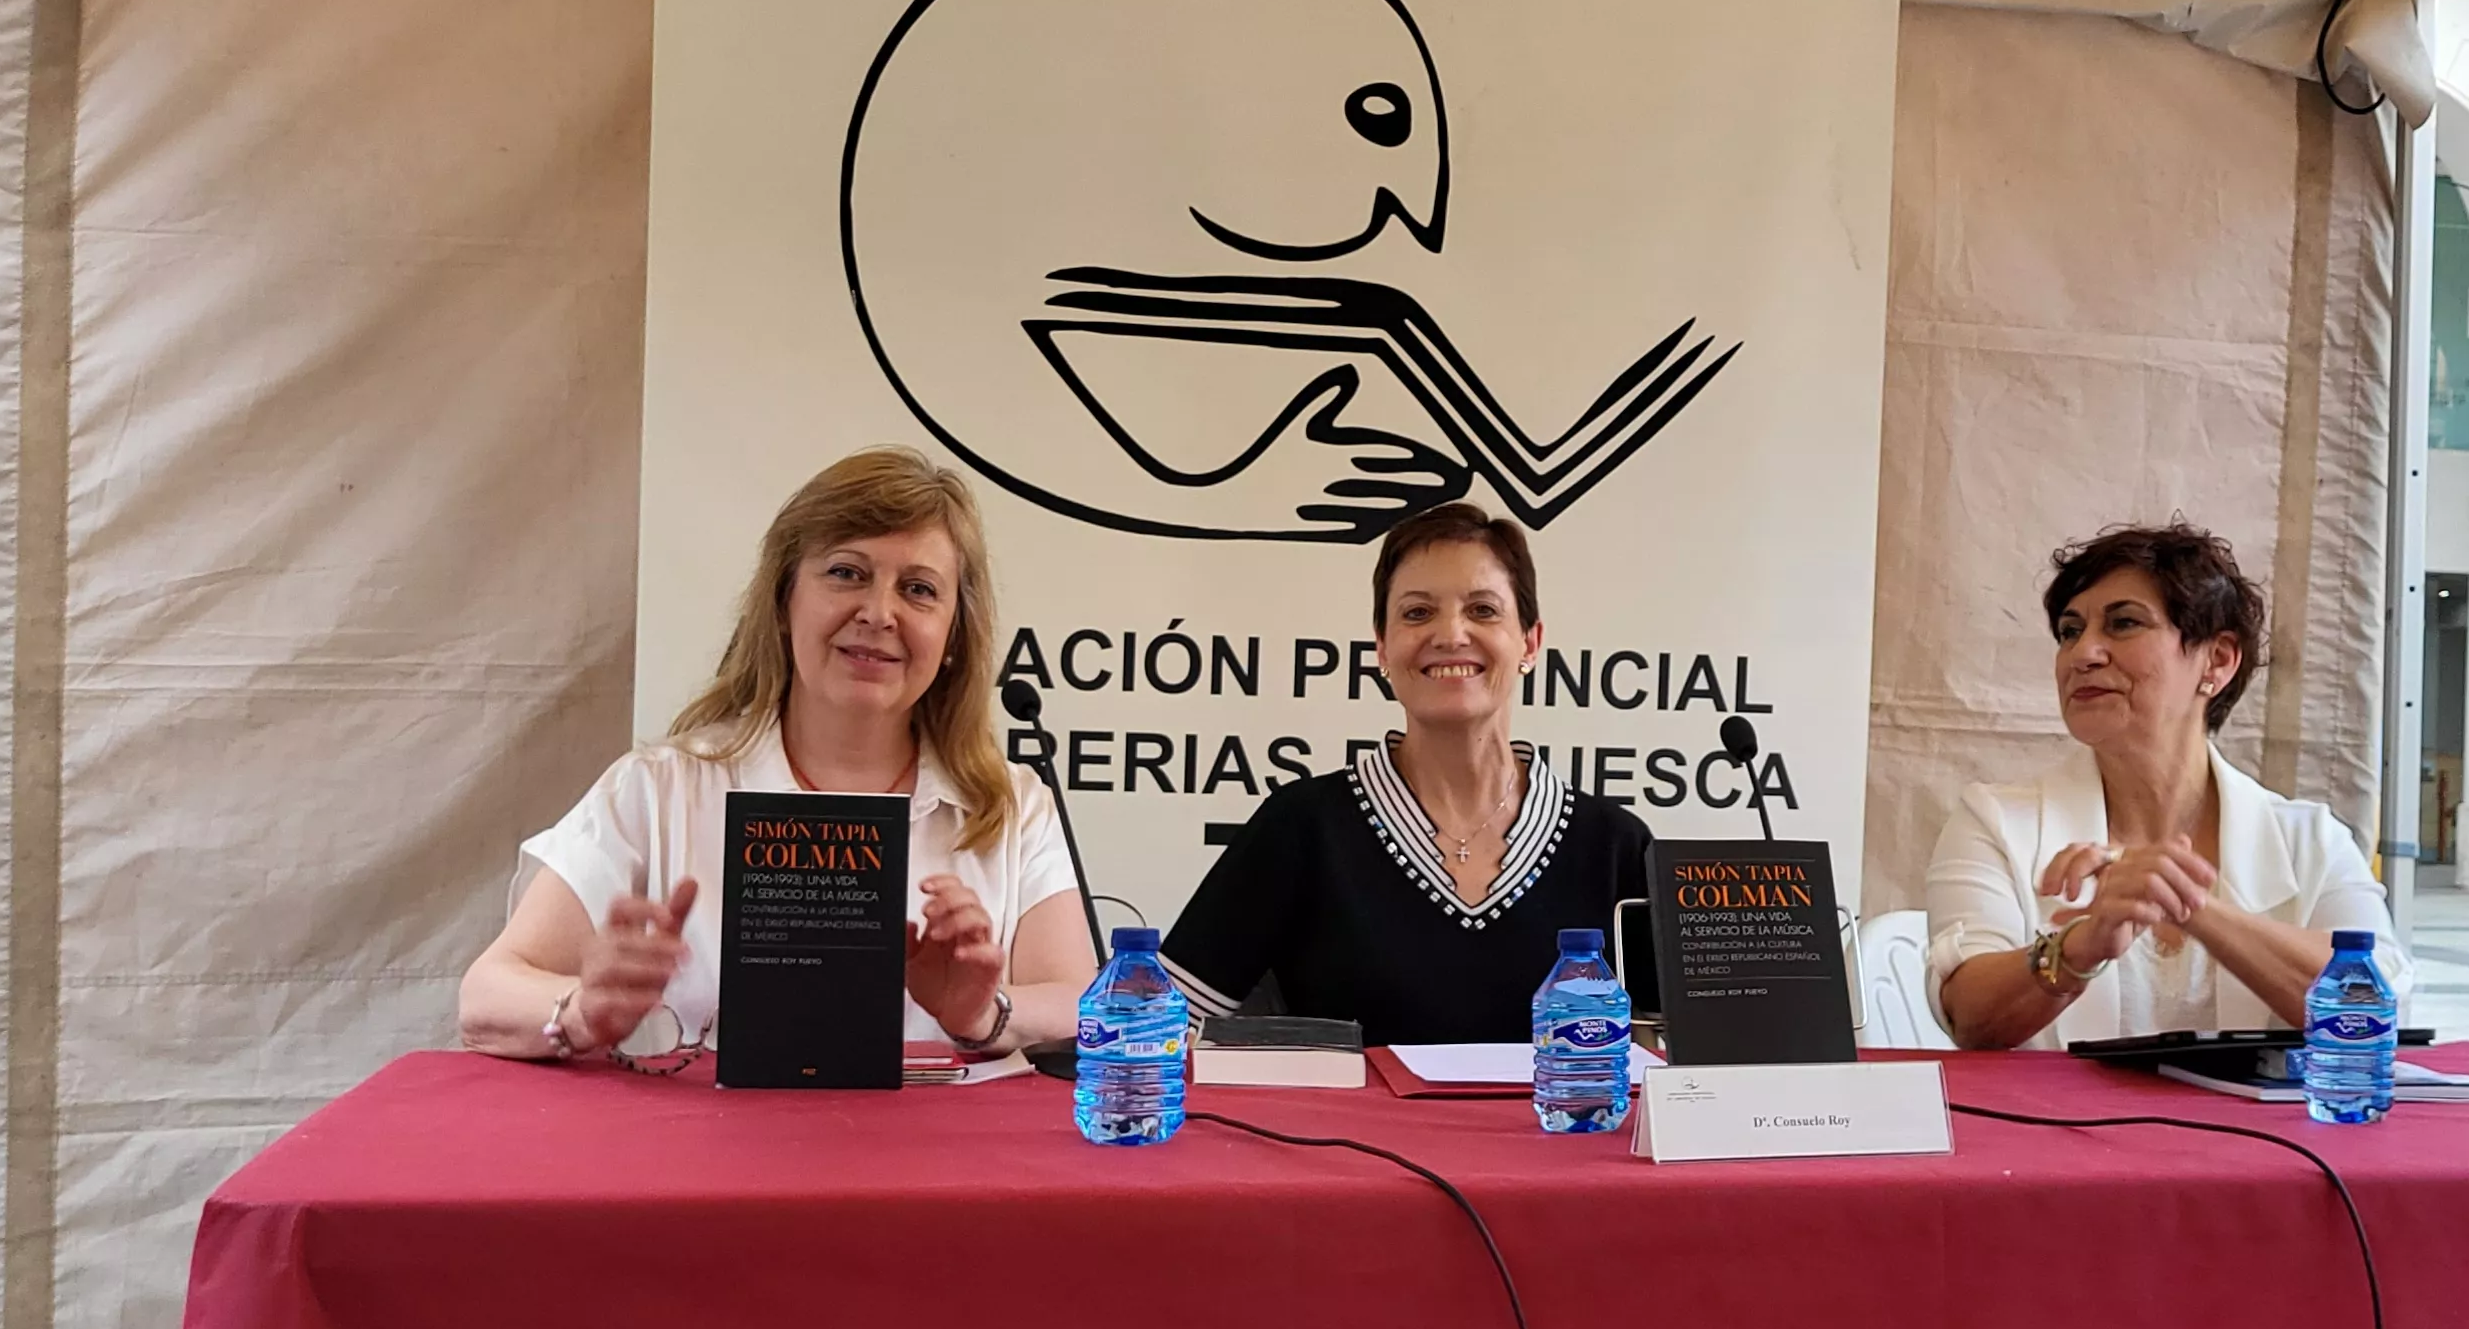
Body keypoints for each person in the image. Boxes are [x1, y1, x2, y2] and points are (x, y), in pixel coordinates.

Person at [458, 448, 1094, 1064]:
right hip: (709, 1164)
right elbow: (487, 995)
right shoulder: (658, 789)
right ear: (782, 603)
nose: (879, 613)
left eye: (920, 590)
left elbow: (1083, 1007)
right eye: (846, 573)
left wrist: (985, 1015)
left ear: (955, 635)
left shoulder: (1011, 810)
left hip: (943, 1166)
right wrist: (579, 1009)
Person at [1162, 501, 1655, 1043]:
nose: (1450, 634)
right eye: (1418, 613)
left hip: (1560, 1128)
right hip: (1346, 1131)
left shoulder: (1614, 845)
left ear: (1530, 642)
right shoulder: (1303, 826)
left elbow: (1673, 1057)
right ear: (1382, 648)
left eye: (1483, 611)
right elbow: (1162, 1022)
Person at [1928, 522, 2409, 1049]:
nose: (2083, 653)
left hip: (2253, 1135)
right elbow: (1970, 1017)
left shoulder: (2310, 839)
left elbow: (2377, 1009)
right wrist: (2081, 946)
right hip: (2055, 1131)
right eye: (2070, 631)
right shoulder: (1995, 821)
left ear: (2218, 660)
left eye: (2124, 624)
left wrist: (2192, 906)